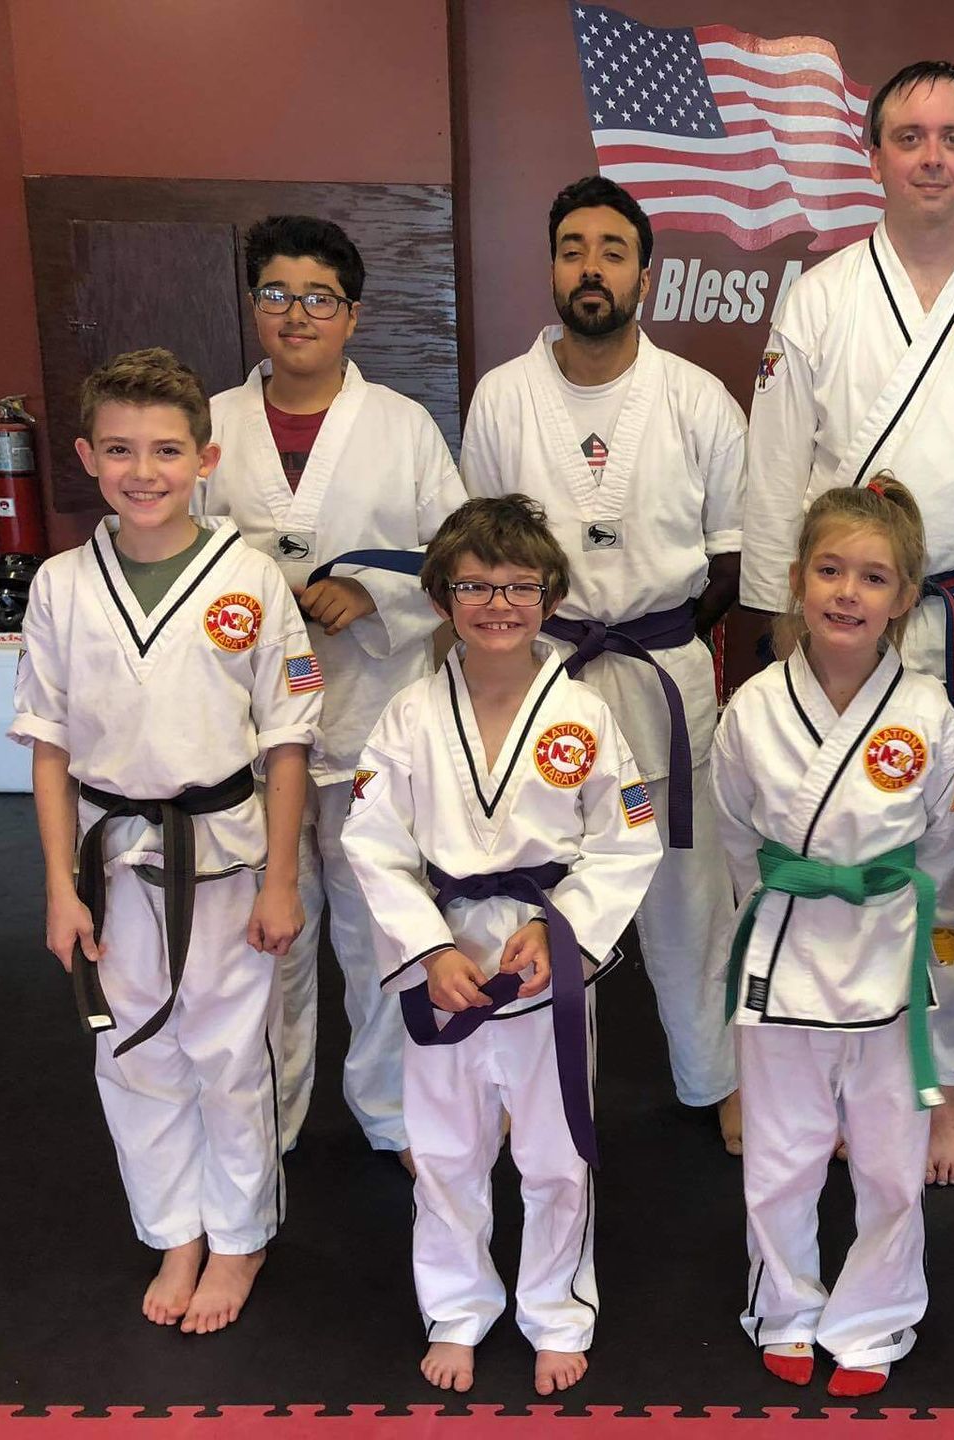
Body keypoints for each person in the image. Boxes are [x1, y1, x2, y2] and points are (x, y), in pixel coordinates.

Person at [741, 59, 954, 1184]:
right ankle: (837, 1064)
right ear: (874, 156)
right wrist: (785, 626)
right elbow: (779, 468)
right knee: (842, 840)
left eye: (951, 137)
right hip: (850, 607)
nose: (931, 156)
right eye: (908, 137)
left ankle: (944, 1084)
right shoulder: (825, 293)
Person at [10, 348, 320, 1334]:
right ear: (85, 458)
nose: (144, 471)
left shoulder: (254, 578)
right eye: (120, 450)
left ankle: (239, 1235)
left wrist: (282, 880)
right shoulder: (61, 585)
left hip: (226, 852)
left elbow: (287, 744)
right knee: (133, 1048)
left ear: (206, 458)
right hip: (109, 858)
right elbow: (50, 750)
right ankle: (173, 1226)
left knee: (231, 1051)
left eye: (166, 450)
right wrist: (60, 887)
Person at [341, 496, 662, 1396]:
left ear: (551, 595)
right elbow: (371, 840)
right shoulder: (407, 714)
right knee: (445, 1148)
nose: (498, 604)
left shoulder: (585, 714)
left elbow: (626, 838)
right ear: (443, 595)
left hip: (545, 953)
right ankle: (456, 1307)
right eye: (475, 585)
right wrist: (428, 949)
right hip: (442, 955)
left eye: (519, 585)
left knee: (557, 1150)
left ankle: (557, 1309)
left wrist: (559, 928)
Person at [461, 177, 744, 1152]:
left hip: (660, 676)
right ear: (551, 265)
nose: (592, 266)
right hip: (539, 676)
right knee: (530, 879)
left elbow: (735, 557)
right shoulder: (503, 397)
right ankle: (521, 1088)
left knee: (682, 888)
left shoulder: (697, 398)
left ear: (645, 273)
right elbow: (478, 548)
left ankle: (712, 1079)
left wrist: (656, 630)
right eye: (574, 246)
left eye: (613, 250)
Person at [201, 214, 466, 1164]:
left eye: (320, 298)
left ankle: (393, 1113)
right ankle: (264, 1121)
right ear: (254, 307)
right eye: (277, 294)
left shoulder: (400, 425)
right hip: (243, 727)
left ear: (352, 315)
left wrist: (375, 592)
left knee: (378, 925)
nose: (297, 315)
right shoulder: (213, 429)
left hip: (368, 716)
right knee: (259, 934)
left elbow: (457, 560)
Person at [713, 479, 954, 1398]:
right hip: (783, 953)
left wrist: (882, 899)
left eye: (872, 577)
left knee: (890, 1162)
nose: (847, 593)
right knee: (781, 1155)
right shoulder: (750, 708)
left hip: (886, 956)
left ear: (904, 598)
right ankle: (783, 1307)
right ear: (795, 580)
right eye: (829, 570)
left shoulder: (929, 715)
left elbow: (944, 840)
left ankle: (872, 1318)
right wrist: (786, 896)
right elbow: (738, 835)